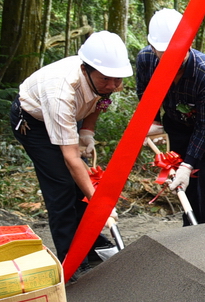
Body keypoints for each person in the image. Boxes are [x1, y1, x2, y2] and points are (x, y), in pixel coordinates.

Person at [10, 32, 130, 267]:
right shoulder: (61, 91)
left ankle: (92, 242)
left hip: (67, 117)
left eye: (118, 79)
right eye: (107, 79)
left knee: (78, 186)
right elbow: (71, 157)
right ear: (86, 69)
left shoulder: (105, 81)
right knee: (61, 186)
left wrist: (87, 131)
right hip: (34, 123)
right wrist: (100, 205)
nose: (113, 85)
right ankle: (72, 260)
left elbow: (101, 99)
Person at [136, 8, 205, 225]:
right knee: (182, 177)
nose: (171, 58)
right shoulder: (145, 60)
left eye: (177, 51)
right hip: (176, 122)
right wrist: (154, 122)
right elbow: (145, 94)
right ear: (153, 48)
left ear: (188, 44)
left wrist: (188, 165)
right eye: (164, 52)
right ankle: (192, 230)